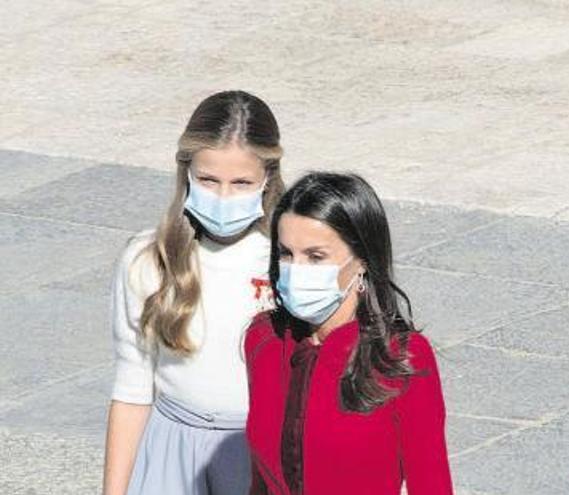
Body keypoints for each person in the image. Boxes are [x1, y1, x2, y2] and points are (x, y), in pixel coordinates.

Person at [103, 90, 285, 495]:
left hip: (258, 452)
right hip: (171, 447)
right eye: (208, 179)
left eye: (241, 183)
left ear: (267, 178)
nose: (223, 196)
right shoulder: (147, 260)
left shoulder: (287, 263)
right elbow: (132, 389)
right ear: (186, 172)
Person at [245, 172, 453, 494]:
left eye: (316, 257)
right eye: (286, 254)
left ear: (362, 261)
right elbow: (259, 479)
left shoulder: (400, 357)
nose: (296, 269)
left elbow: (432, 485)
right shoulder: (264, 339)